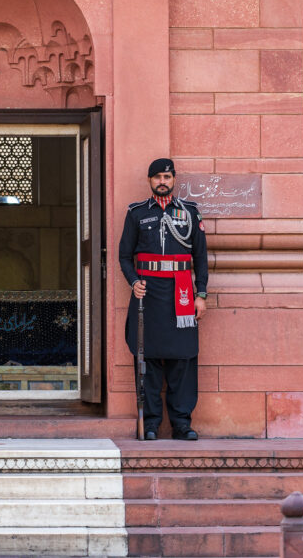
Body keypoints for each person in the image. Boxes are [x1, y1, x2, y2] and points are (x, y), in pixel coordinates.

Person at [119, 158, 208, 440]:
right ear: (149, 180)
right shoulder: (136, 213)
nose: (162, 181)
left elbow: (200, 258)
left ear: (173, 179)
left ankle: (182, 424)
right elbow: (123, 256)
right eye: (157, 176)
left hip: (182, 290)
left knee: (183, 359)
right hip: (149, 293)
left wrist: (201, 294)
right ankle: (151, 425)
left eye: (167, 176)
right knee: (149, 359)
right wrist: (134, 282)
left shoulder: (190, 212)